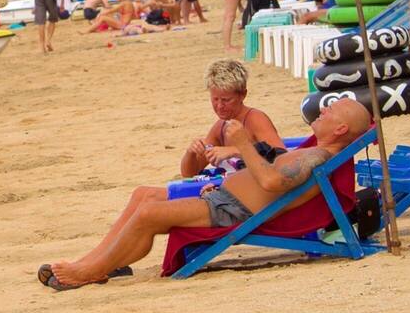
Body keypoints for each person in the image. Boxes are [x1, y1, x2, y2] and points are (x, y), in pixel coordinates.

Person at [39, 100, 373, 290]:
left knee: (148, 214)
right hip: (224, 199)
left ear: (341, 130)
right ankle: (96, 262)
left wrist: (242, 143)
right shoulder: (314, 151)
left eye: (331, 112)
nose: (323, 111)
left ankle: (89, 272)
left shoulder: (319, 157)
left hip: (233, 211)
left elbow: (271, 183)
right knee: (145, 195)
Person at [178, 59, 281, 177]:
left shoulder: (255, 119)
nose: (220, 106)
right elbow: (188, 174)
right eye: (215, 99)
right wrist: (190, 152)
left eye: (226, 100)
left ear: (243, 94)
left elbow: (281, 157)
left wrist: (235, 151)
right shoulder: (220, 128)